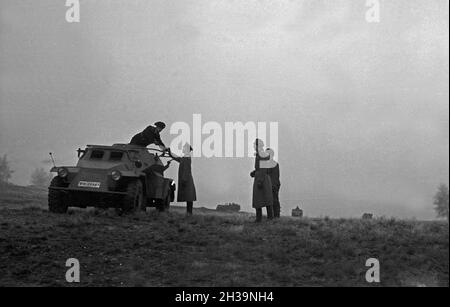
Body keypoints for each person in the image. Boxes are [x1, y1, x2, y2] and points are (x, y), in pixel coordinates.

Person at [169, 144, 197, 215]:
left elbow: (186, 169)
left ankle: (189, 213)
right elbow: (177, 158)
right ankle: (189, 213)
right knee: (189, 197)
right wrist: (169, 152)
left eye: (184, 148)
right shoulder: (185, 157)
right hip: (186, 179)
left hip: (186, 179)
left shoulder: (187, 157)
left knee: (189, 197)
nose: (183, 149)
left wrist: (184, 180)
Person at [250, 139, 273, 222]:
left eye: (254, 145)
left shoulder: (261, 154)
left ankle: (261, 218)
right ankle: (267, 218)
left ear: (258, 146)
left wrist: (260, 181)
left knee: (260, 199)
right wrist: (254, 172)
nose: (253, 146)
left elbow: (263, 168)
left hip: (261, 179)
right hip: (262, 178)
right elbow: (260, 167)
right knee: (265, 199)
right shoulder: (260, 154)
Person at [261, 148, 281, 218]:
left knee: (274, 201)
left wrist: (273, 186)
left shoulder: (274, 164)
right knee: (269, 201)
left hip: (273, 185)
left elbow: (275, 177)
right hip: (269, 185)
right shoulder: (266, 164)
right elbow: (262, 172)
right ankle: (271, 216)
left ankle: (276, 216)